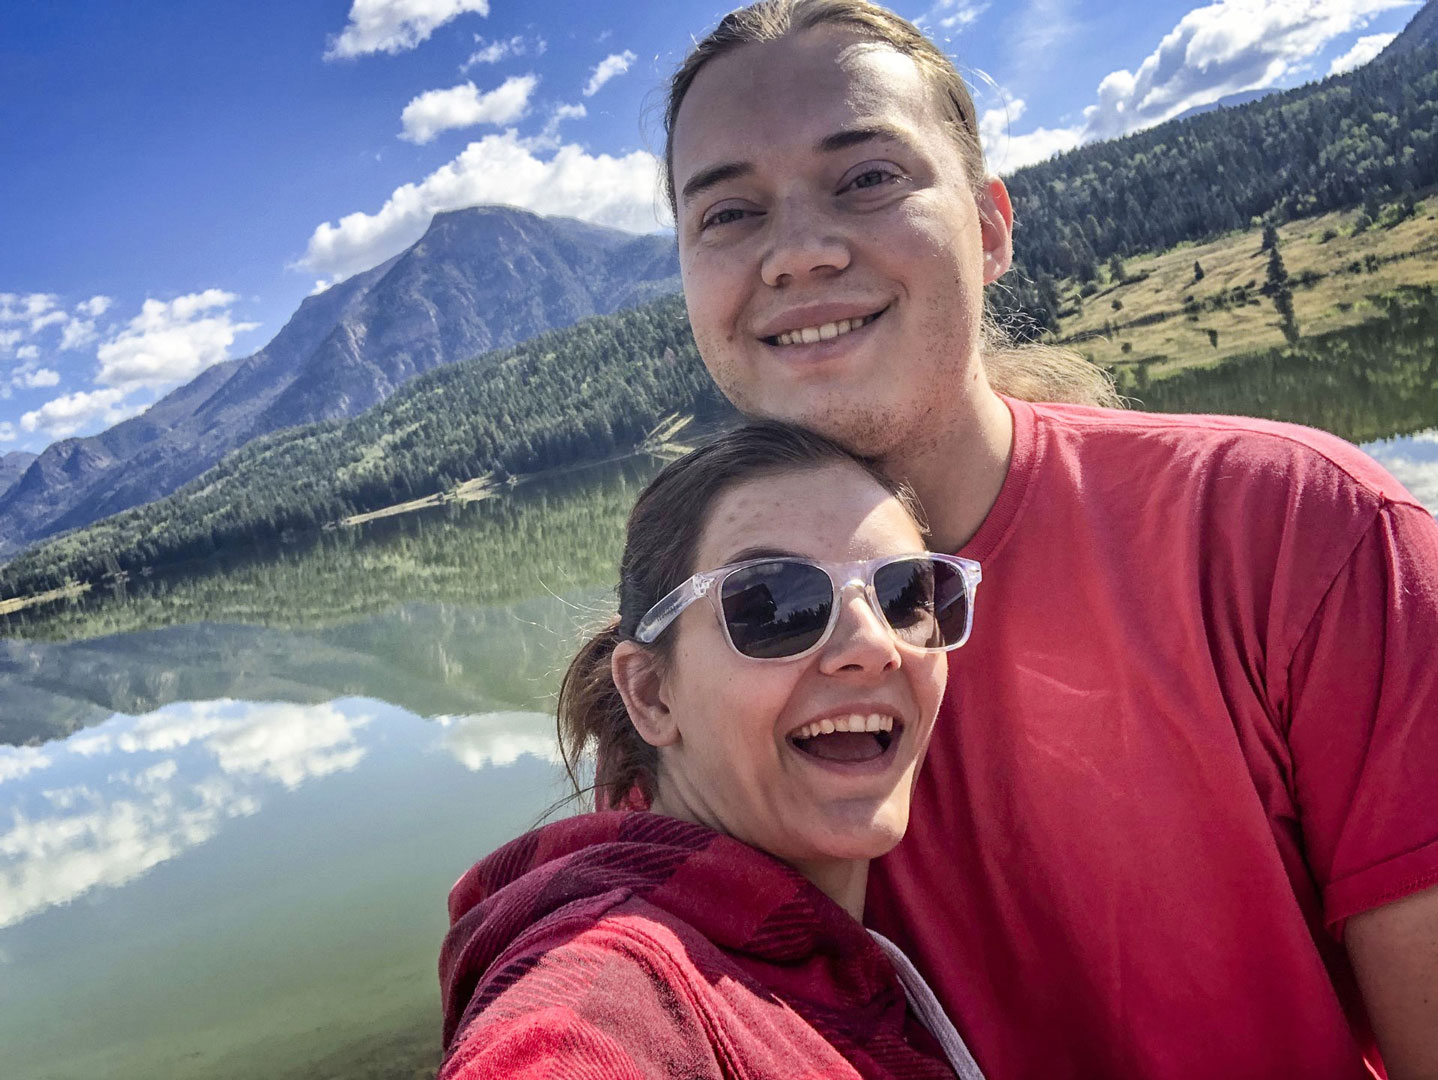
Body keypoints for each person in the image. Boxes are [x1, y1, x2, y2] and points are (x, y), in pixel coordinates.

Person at [661, 2, 1438, 1078]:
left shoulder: (1299, 533)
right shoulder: (702, 662)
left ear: (988, 227)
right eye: (729, 214)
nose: (796, 252)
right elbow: (608, 971)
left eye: (867, 178)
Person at [439, 421, 988, 1079]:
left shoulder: (851, 954)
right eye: (774, 604)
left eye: (904, 595)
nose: (875, 645)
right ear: (651, 695)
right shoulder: (615, 974)